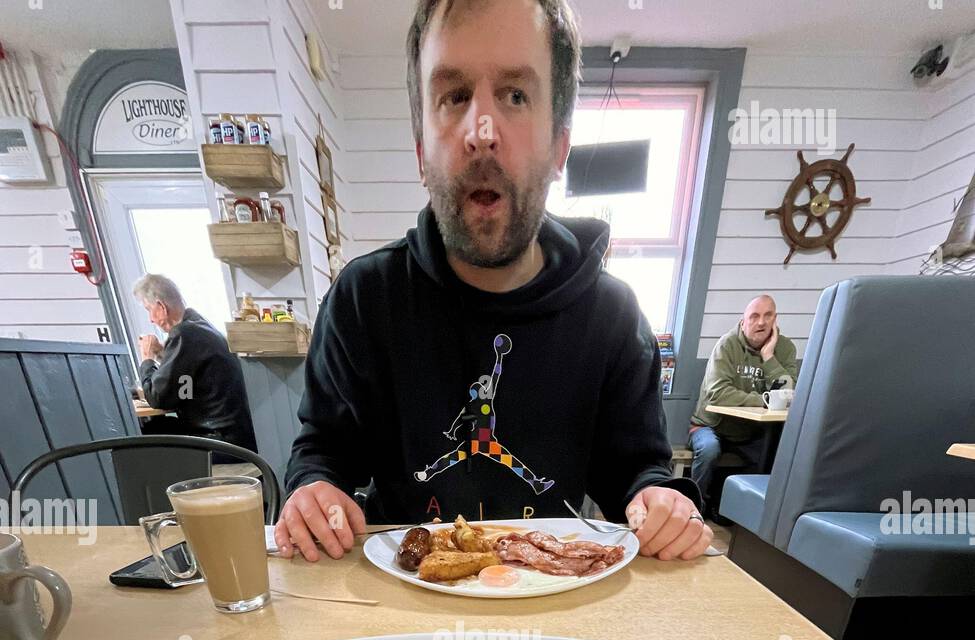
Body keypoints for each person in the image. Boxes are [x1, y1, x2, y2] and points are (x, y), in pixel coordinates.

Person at [276, 0, 711, 563]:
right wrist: (313, 492)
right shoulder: (362, 300)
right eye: (454, 96)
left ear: (559, 148)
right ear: (420, 151)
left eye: (515, 95)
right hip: (399, 608)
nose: (482, 133)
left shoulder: (614, 315)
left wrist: (661, 500)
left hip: (552, 596)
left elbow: (637, 472)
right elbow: (323, 454)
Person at [688, 294, 797, 504]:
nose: (761, 322)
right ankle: (695, 506)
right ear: (743, 321)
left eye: (768, 316)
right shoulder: (727, 345)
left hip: (752, 430)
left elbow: (788, 393)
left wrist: (768, 357)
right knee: (709, 450)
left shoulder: (785, 349)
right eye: (754, 316)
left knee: (773, 457)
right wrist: (763, 400)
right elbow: (717, 393)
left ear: (775, 320)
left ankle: (739, 509)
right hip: (711, 425)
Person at [132, 274, 258, 456]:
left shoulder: (184, 334)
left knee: (149, 431)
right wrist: (162, 354)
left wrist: (147, 359)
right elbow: (186, 388)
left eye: (148, 309)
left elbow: (158, 397)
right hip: (234, 434)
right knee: (159, 426)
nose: (150, 319)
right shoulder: (201, 327)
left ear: (161, 307)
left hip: (219, 440)